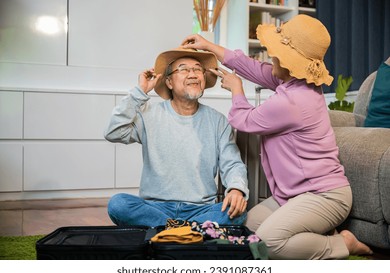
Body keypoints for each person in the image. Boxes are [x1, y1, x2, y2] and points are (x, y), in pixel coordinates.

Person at [181, 14, 373, 259]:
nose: (270, 56)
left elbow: (244, 120)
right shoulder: (297, 81)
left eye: (276, 54)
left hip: (325, 196)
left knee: (269, 243)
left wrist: (237, 89)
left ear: (290, 62)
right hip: (292, 196)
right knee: (247, 231)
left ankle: (342, 244)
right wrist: (208, 45)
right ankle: (318, 233)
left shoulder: (293, 100)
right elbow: (253, 68)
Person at [104, 47, 249, 228]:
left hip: (201, 209)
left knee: (237, 214)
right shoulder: (149, 115)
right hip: (156, 207)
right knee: (118, 204)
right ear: (169, 82)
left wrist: (236, 189)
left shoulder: (218, 121)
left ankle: (169, 230)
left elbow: (232, 163)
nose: (193, 74)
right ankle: (190, 230)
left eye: (198, 69)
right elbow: (113, 132)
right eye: (183, 69)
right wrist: (139, 92)